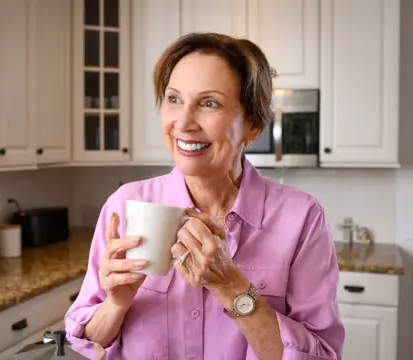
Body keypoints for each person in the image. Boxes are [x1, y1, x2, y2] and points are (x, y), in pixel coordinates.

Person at [65, 32, 345, 360]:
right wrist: (116, 303)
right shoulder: (126, 205)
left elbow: (322, 356)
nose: (183, 122)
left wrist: (232, 287)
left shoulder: (301, 219)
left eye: (209, 103)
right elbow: (88, 341)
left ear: (253, 126)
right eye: (174, 99)